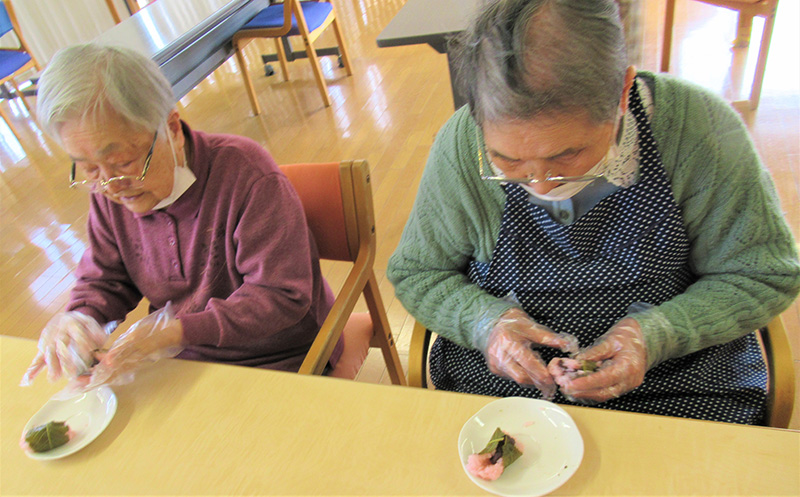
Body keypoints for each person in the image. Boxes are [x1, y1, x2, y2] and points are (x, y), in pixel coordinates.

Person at [387, 0, 800, 424]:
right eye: (507, 161)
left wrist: (658, 333)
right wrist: (485, 324)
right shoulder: (460, 146)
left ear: (622, 92)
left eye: (568, 154)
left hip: (680, 383)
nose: (541, 186)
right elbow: (419, 272)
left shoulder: (700, 129)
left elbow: (762, 272)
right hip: (508, 388)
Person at [21, 43, 340, 390]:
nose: (110, 185)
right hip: (183, 358)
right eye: (88, 168)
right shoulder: (111, 189)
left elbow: (281, 296)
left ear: (172, 127)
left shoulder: (246, 175)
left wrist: (176, 332)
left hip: (281, 356)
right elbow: (107, 277)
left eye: (124, 163)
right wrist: (80, 317)